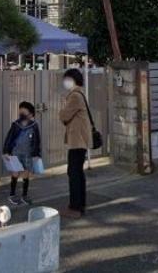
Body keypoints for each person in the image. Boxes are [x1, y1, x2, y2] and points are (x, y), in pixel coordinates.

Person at [58, 68, 90, 218]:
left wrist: (62, 110)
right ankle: (79, 205)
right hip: (80, 140)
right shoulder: (79, 94)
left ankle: (75, 208)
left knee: (74, 173)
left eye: (67, 79)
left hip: (77, 141)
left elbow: (64, 115)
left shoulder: (75, 96)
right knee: (77, 172)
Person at [2, 101, 42, 206]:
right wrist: (6, 151)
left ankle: (24, 195)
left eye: (24, 112)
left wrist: (37, 154)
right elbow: (9, 138)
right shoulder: (15, 125)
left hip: (28, 153)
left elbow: (37, 141)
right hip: (15, 153)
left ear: (31, 114)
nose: (22, 115)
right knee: (15, 172)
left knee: (26, 173)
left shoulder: (34, 126)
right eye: (21, 112)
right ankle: (12, 195)